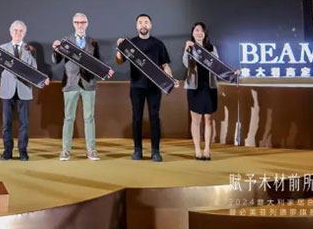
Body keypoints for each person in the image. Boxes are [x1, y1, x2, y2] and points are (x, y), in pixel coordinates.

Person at [116, 14, 179, 162]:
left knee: (154, 118)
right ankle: (137, 150)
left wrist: (171, 79)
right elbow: (119, 61)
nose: (143, 25)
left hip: (154, 87)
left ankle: (155, 151)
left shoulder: (158, 44)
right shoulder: (130, 44)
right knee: (136, 118)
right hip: (136, 86)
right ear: (136, 26)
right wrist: (119, 48)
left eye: (146, 22)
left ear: (150, 25)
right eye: (140, 22)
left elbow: (165, 65)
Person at [53, 12, 113, 161]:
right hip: (70, 84)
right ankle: (65, 150)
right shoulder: (65, 41)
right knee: (68, 118)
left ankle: (91, 150)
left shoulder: (93, 42)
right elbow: (56, 60)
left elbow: (98, 62)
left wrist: (106, 70)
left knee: (89, 118)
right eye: (77, 22)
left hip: (89, 84)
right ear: (73, 24)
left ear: (87, 23)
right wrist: (55, 49)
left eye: (83, 22)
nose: (80, 25)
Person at [0, 20, 50, 161]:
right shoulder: (2, 48)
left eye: (21, 31)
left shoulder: (30, 49)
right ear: (10, 32)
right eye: (15, 30)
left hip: (24, 89)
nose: (18, 33)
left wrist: (42, 79)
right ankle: (7, 151)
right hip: (7, 90)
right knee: (6, 124)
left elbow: (34, 70)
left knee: (24, 124)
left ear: (24, 33)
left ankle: (23, 151)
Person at [182, 22, 228, 161]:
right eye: (197, 30)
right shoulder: (190, 47)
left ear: (205, 33)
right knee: (195, 120)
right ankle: (197, 149)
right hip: (194, 87)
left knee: (208, 119)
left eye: (202, 30)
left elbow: (218, 66)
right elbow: (186, 64)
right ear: (192, 33)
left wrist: (232, 73)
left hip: (209, 87)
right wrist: (187, 49)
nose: (199, 33)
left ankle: (207, 148)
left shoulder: (211, 48)